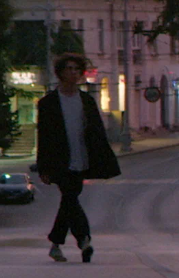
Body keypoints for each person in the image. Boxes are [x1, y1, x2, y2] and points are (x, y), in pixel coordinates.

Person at [36, 53, 121, 263]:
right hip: (59, 160)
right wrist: (43, 167)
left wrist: (103, 158)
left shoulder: (86, 100)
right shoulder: (49, 103)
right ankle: (84, 240)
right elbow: (44, 137)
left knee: (69, 199)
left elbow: (97, 131)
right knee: (70, 197)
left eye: (77, 69)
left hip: (81, 157)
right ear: (60, 73)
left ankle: (56, 243)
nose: (73, 73)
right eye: (69, 69)